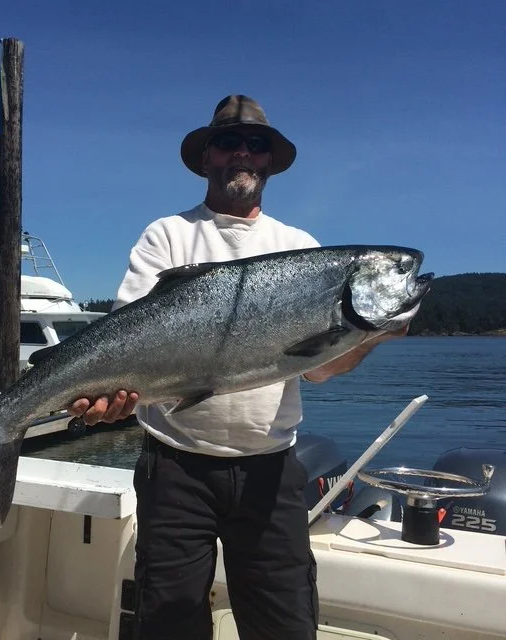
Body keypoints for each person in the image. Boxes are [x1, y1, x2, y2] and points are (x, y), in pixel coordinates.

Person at [69, 95, 407, 640]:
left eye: (256, 145)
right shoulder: (167, 235)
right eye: (228, 142)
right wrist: (111, 394)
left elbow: (317, 370)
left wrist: (372, 332)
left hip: (271, 469)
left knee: (285, 624)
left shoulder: (299, 249)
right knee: (169, 624)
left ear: (270, 161)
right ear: (206, 158)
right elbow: (127, 342)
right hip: (176, 468)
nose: (242, 154)